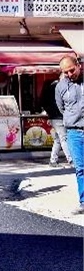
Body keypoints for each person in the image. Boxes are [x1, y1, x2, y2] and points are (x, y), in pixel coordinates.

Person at [55, 55, 84, 215]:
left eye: (71, 70)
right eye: (65, 72)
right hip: (74, 132)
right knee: (80, 168)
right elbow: (61, 108)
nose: (69, 74)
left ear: (78, 65)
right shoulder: (60, 87)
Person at [40, 76, 72, 167]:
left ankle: (53, 160)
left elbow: (44, 103)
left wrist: (50, 114)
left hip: (54, 117)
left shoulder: (50, 87)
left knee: (58, 139)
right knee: (64, 138)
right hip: (59, 117)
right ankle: (71, 160)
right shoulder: (59, 87)